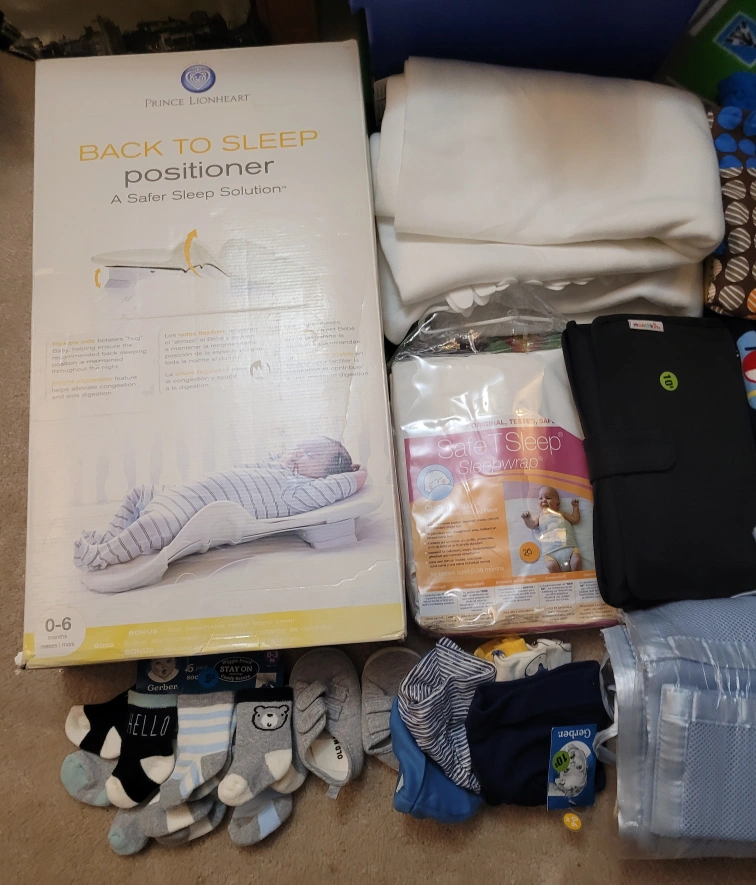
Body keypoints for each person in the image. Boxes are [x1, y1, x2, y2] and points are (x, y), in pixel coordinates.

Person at [74, 436, 366, 572]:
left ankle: (101, 556)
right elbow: (263, 462)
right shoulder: (277, 467)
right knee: (139, 494)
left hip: (195, 510)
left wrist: (356, 472)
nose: (298, 454)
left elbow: (341, 484)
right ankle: (111, 536)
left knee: (154, 525)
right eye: (300, 448)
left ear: (326, 477)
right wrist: (282, 459)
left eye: (311, 456)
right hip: (188, 490)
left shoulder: (302, 491)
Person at [521, 486, 582, 573]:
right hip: (551, 553)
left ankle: (576, 578)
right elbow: (532, 525)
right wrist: (527, 519)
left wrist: (575, 508)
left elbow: (575, 520)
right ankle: (561, 580)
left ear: (557, 504)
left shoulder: (561, 514)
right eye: (540, 498)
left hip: (569, 547)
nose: (544, 500)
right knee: (551, 566)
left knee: (577, 561)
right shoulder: (540, 517)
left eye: (548, 498)